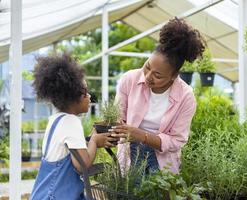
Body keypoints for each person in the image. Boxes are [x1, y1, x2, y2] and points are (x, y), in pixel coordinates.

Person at [110, 18, 206, 174]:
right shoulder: (129, 80)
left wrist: (140, 135)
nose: (148, 76)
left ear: (173, 76)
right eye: (147, 67)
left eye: (158, 75)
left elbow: (176, 140)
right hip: (130, 153)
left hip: (162, 160)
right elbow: (117, 117)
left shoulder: (186, 97)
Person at [30, 54, 117, 200]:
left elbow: (71, 151)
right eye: (85, 92)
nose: (89, 96)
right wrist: (94, 141)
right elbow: (83, 164)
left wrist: (91, 138)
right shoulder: (71, 122)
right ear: (72, 96)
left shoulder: (56, 120)